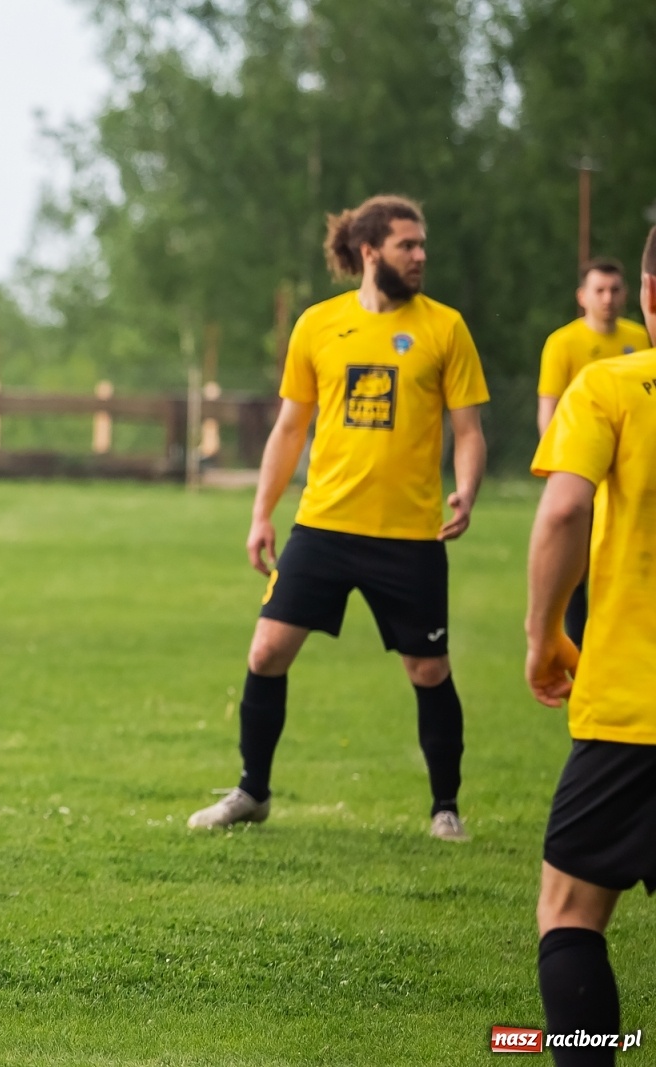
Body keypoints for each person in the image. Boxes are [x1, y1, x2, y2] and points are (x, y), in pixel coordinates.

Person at [187, 195, 489, 842]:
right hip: (322, 526)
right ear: (369, 250)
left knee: (428, 670)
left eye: (423, 244)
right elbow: (290, 427)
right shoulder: (317, 326)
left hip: (409, 536)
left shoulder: (445, 328)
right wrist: (261, 512)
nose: (421, 255)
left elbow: (467, 430)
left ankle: (446, 808)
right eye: (408, 244)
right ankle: (252, 791)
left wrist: (466, 488)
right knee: (266, 650)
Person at [524, 226, 656, 1067]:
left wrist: (544, 636)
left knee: (570, 911)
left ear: (648, 294)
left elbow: (565, 510)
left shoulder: (610, 386)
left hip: (630, 705)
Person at [534, 257, 649, 648]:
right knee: (577, 570)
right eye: (599, 290)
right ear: (582, 297)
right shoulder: (563, 343)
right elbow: (548, 411)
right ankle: (578, 647)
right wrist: (565, 469)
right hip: (585, 472)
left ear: (631, 294)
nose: (608, 298)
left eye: (615, 290)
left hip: (632, 477)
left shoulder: (639, 337)